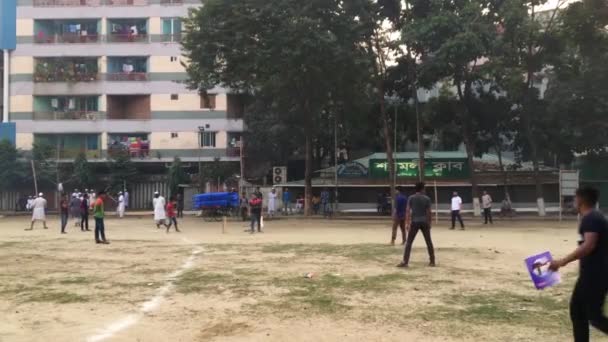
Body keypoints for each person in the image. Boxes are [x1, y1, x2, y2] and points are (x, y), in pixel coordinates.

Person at [549, 187, 608, 342]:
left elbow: (589, 245)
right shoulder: (595, 217)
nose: (574, 202)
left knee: (592, 316)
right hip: (593, 274)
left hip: (595, 275)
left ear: (581, 199)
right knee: (579, 312)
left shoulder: (591, 218)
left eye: (575, 198)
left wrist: (562, 262)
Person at [398, 182, 436, 268]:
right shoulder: (427, 199)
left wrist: (407, 223)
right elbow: (429, 212)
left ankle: (405, 261)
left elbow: (407, 211)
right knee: (428, 241)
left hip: (415, 221)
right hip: (424, 221)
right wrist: (429, 223)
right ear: (422, 189)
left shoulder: (411, 198)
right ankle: (432, 261)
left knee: (409, 242)